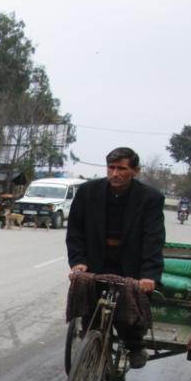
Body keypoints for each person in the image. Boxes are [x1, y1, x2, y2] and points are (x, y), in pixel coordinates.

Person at [66, 147, 165, 369]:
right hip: (95, 261)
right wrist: (78, 262)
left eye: (121, 168)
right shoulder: (88, 192)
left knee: (127, 311)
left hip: (131, 265)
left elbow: (153, 239)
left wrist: (149, 275)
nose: (115, 174)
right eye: (111, 168)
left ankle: (135, 345)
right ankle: (90, 339)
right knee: (88, 306)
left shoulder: (150, 198)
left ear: (135, 171)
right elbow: (75, 231)